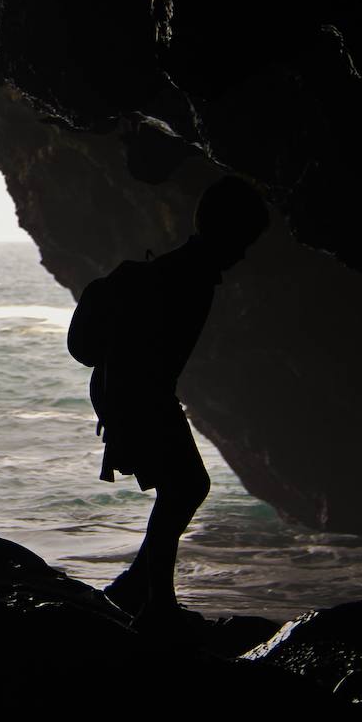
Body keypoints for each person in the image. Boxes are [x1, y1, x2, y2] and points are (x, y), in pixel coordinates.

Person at [79, 176, 269, 623]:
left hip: (139, 392)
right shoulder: (185, 277)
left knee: (184, 488)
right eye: (243, 240)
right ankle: (155, 603)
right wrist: (118, 411)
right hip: (140, 393)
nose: (243, 254)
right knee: (185, 488)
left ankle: (138, 590)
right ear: (223, 231)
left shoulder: (184, 271)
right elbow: (133, 348)